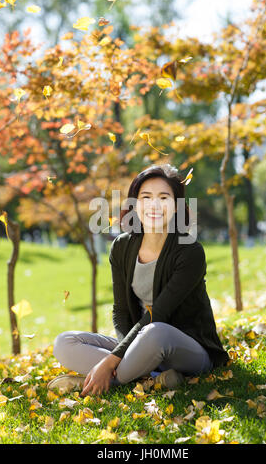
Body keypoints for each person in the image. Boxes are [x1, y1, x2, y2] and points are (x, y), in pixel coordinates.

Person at [48, 164, 229, 396]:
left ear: (176, 205)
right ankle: (153, 378)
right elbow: (121, 310)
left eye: (163, 197)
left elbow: (159, 313)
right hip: (140, 342)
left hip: (186, 348)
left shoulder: (189, 251)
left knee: (156, 331)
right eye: (146, 197)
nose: (154, 205)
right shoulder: (122, 246)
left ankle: (99, 381)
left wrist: (111, 361)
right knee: (65, 342)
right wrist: (126, 352)